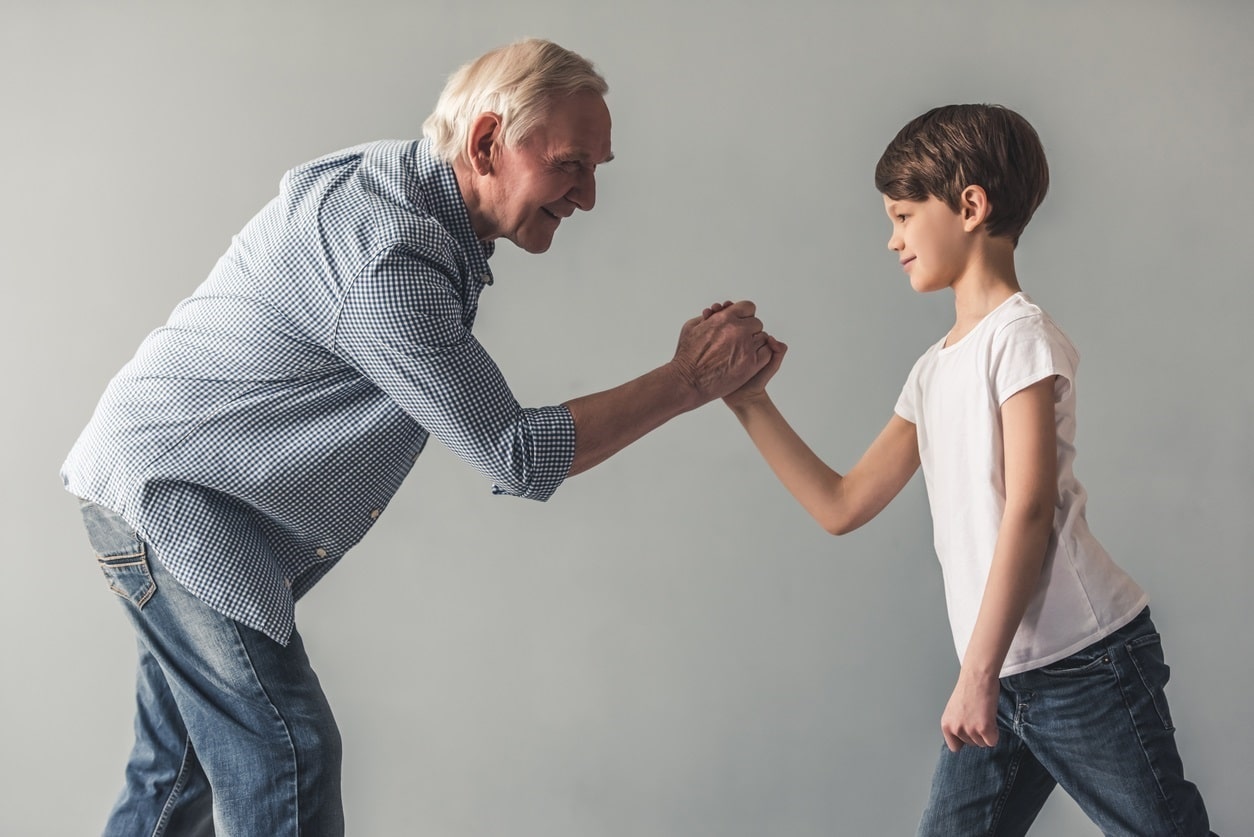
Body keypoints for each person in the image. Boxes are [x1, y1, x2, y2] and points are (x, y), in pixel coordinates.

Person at [63, 38, 771, 836]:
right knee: (288, 750)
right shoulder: (385, 253)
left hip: (161, 485)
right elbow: (518, 453)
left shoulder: (404, 195)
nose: (589, 196)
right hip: (174, 500)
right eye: (573, 164)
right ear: (484, 143)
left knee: (179, 766)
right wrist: (688, 379)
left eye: (598, 167)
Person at [711, 104, 1216, 835]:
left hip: (1084, 664)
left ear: (970, 206)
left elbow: (1029, 508)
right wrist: (750, 401)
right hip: (1000, 676)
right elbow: (842, 503)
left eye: (904, 215)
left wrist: (975, 675)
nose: (893, 240)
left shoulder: (1020, 337)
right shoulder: (933, 369)